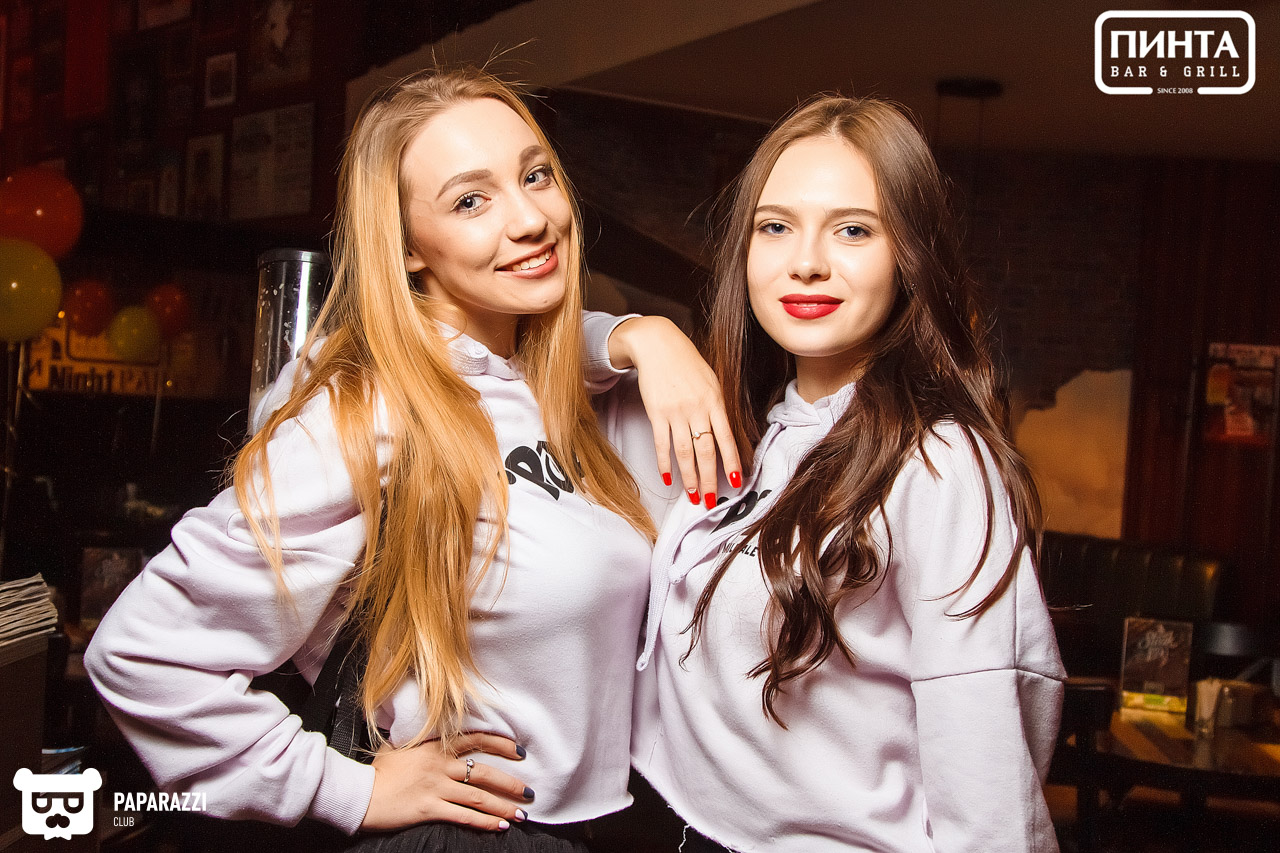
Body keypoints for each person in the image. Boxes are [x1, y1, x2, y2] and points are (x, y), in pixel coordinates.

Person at [84, 66, 733, 853]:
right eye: (470, 201)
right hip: (474, 836)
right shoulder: (371, 409)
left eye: (534, 176)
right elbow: (143, 652)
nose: (530, 219)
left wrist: (640, 335)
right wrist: (345, 788)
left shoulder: (554, 384)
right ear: (409, 249)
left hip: (606, 828)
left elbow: (541, 357)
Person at [623, 96, 1067, 852]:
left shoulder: (939, 461)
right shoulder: (754, 432)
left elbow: (985, 744)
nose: (807, 261)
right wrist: (644, 336)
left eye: (853, 230)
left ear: (910, 258)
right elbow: (518, 347)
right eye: (775, 227)